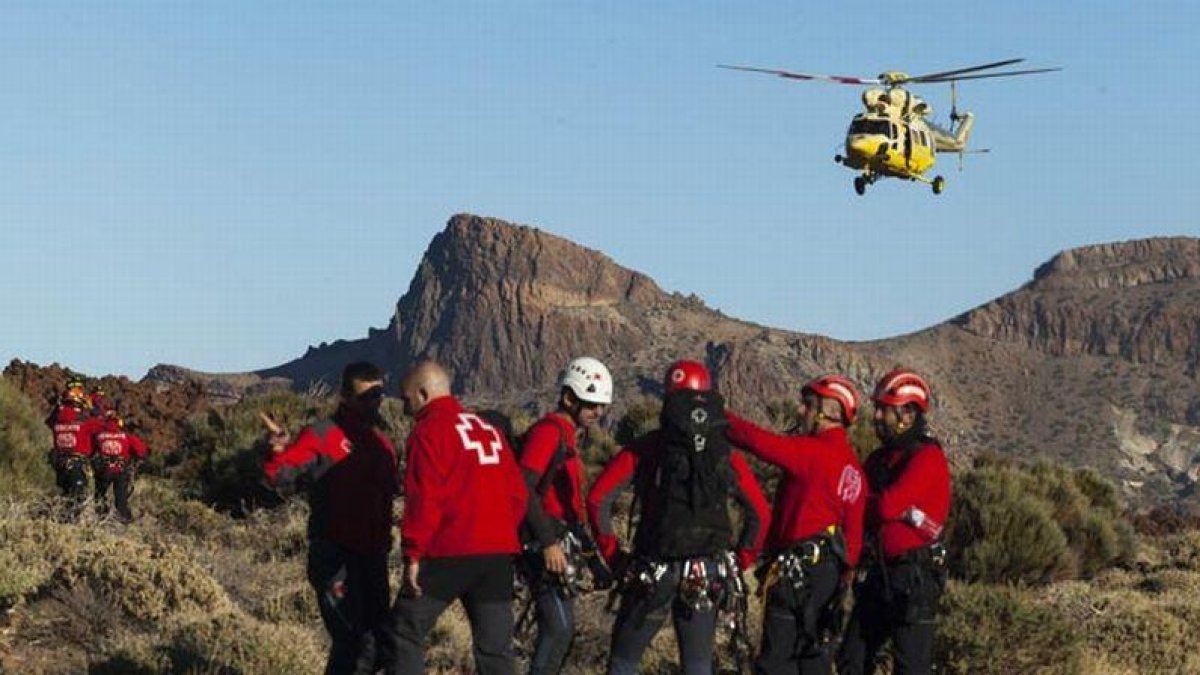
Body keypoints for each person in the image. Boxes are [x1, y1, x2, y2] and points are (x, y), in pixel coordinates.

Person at [587, 360, 771, 675]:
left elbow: (597, 499)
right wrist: (739, 561)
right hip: (706, 572)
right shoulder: (724, 453)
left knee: (624, 661)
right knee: (697, 665)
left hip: (652, 568)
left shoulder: (646, 447)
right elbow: (760, 514)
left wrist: (615, 558)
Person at [388, 360, 529, 675]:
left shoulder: (428, 432)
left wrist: (412, 554)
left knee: (404, 629)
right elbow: (518, 495)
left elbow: (424, 499)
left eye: (406, 399)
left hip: (449, 550)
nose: (404, 407)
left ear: (423, 394)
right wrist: (501, 531)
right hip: (497, 555)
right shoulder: (488, 430)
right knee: (496, 650)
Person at [724, 375, 867, 675]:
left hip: (795, 573)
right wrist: (844, 580)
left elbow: (758, 442)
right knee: (813, 659)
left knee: (777, 661)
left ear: (827, 413)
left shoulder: (811, 453)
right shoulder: (853, 469)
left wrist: (715, 415)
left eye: (808, 406)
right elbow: (853, 539)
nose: (801, 411)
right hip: (828, 577)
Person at [263, 361, 400, 675]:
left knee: (377, 640)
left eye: (378, 396)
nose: (375, 404)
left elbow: (389, 495)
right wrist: (275, 452)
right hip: (335, 555)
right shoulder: (324, 434)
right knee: (351, 642)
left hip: (374, 556)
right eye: (367, 397)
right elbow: (282, 475)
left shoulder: (383, 442)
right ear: (346, 397)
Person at [836, 368, 951, 675]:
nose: (875, 417)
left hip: (914, 576)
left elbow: (885, 506)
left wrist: (866, 505)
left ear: (908, 414)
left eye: (884, 410)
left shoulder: (927, 457)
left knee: (910, 665)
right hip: (879, 572)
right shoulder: (880, 458)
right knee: (851, 658)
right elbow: (855, 499)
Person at [518, 356, 615, 675]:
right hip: (542, 546)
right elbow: (524, 488)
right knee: (558, 629)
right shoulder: (548, 433)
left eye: (602, 406)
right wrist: (547, 543)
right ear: (569, 398)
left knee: (560, 632)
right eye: (591, 405)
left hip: (559, 543)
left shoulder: (568, 436)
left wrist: (596, 560)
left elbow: (573, 508)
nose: (597, 413)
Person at [45, 379, 105, 510]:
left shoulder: (56, 420)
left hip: (59, 463)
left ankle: (58, 523)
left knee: (65, 496)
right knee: (77, 499)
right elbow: (102, 425)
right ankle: (67, 525)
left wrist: (58, 408)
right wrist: (93, 410)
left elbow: (49, 421)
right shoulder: (84, 422)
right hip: (77, 464)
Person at [90, 410, 150, 522]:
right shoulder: (126, 436)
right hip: (121, 471)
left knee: (100, 496)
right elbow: (142, 451)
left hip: (103, 471)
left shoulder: (98, 436)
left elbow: (90, 450)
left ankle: (101, 519)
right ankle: (124, 521)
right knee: (121, 499)